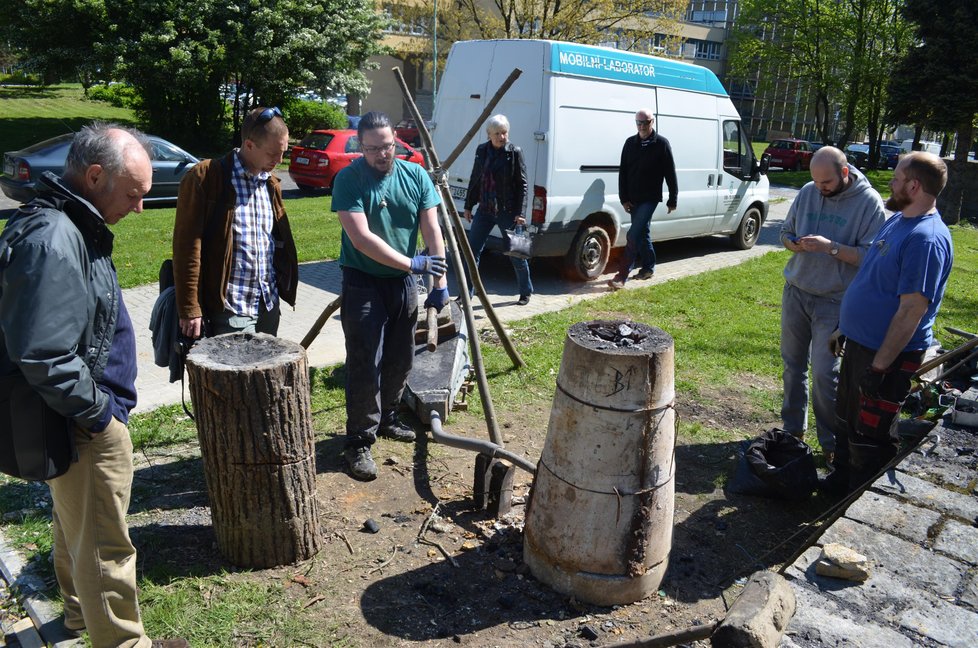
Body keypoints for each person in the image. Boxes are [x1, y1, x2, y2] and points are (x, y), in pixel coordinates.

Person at [0, 123, 187, 647]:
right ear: (96, 174)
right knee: (106, 548)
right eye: (133, 194)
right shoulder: (55, 238)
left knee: (77, 529)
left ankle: (82, 618)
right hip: (83, 423)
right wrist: (100, 416)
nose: (139, 207)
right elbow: (44, 352)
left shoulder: (70, 225)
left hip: (77, 418)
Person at [824, 151, 954, 494]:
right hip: (860, 344)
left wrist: (880, 368)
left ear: (913, 186)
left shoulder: (925, 240)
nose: (890, 183)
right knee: (847, 416)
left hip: (888, 355)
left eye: (896, 179)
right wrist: (844, 328)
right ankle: (840, 481)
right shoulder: (898, 221)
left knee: (872, 431)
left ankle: (859, 496)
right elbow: (871, 279)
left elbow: (911, 311)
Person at [332, 111, 449, 481]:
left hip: (402, 284)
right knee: (365, 362)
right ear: (360, 147)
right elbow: (362, 238)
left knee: (400, 359)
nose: (382, 154)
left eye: (387, 146)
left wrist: (439, 284)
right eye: (372, 149)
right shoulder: (349, 180)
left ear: (395, 140)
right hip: (363, 282)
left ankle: (387, 417)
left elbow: (432, 228)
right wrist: (411, 265)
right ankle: (358, 441)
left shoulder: (414, 175)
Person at [779, 146, 886, 462]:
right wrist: (792, 244)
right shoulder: (809, 191)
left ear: (844, 172)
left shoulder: (869, 204)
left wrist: (832, 249)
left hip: (836, 301)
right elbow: (785, 232)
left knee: (826, 374)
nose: (820, 189)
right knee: (792, 365)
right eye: (815, 182)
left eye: (825, 182)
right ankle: (792, 432)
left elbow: (871, 258)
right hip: (797, 291)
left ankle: (830, 444)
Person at [173, 106, 298, 339]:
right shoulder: (206, 177)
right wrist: (190, 307)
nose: (280, 161)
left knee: (267, 373)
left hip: (267, 305)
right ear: (249, 145)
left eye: (284, 152)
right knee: (238, 374)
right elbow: (187, 246)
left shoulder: (270, 183)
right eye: (273, 154)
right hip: (232, 308)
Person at [463, 115, 532, 305]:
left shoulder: (514, 152)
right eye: (497, 134)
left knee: (516, 253)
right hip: (485, 210)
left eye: (504, 133)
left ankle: (525, 291)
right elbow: (475, 178)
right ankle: (468, 293)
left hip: (506, 211)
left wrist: (521, 213)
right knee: (471, 252)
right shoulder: (482, 150)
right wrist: (469, 205)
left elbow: (522, 185)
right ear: (489, 135)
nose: (502, 137)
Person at [608, 109, 678, 291]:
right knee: (642, 234)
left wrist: (673, 198)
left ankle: (621, 276)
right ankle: (648, 268)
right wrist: (623, 198)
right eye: (638, 123)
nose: (641, 126)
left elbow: (670, 173)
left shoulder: (661, 144)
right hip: (633, 198)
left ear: (652, 122)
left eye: (645, 123)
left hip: (650, 198)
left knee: (633, 234)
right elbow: (623, 172)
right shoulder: (630, 143)